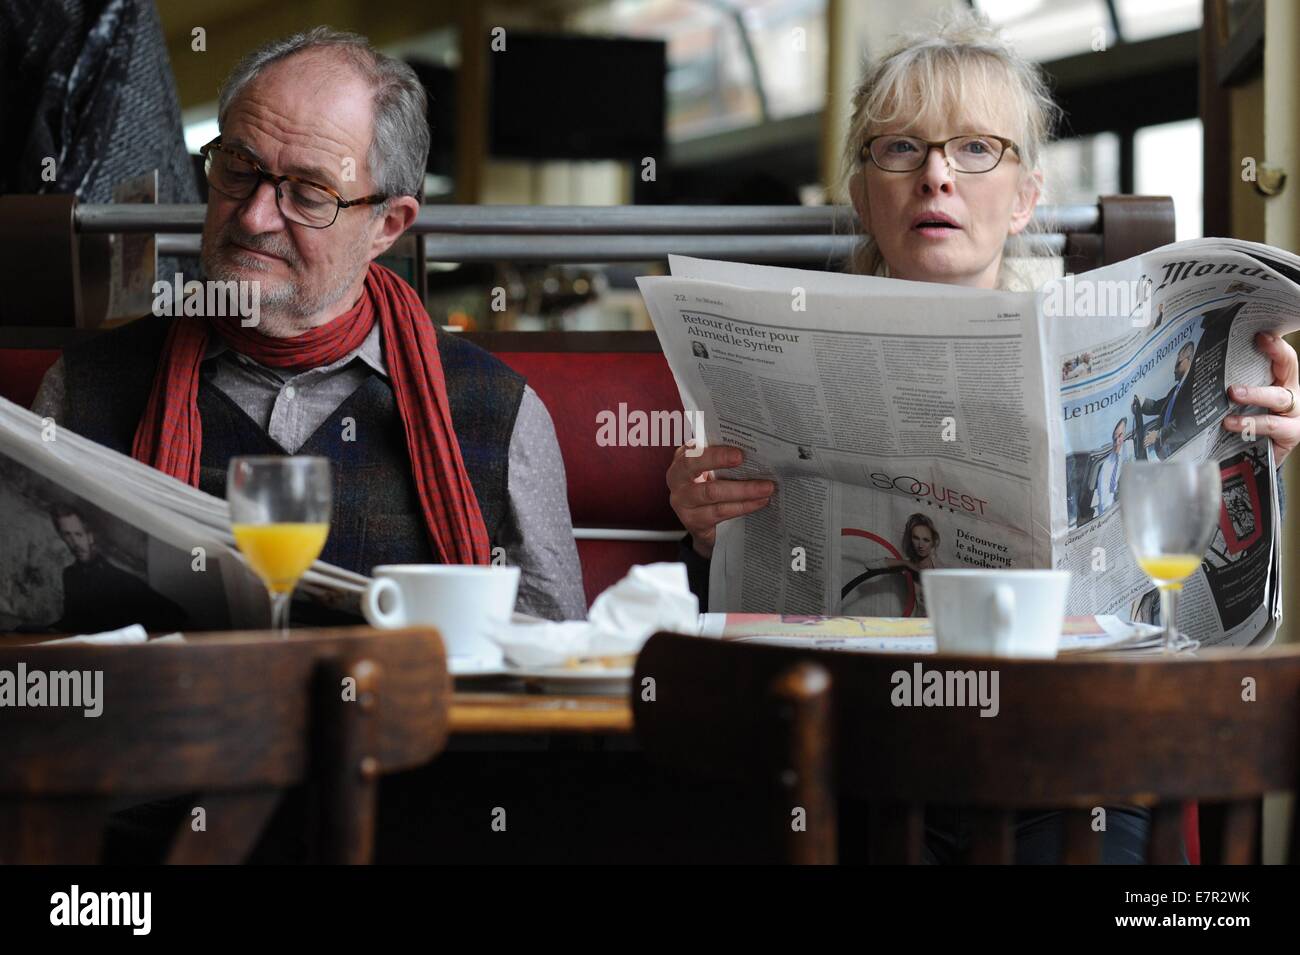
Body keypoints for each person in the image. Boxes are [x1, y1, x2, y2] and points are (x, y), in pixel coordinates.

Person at [666, 8, 1299, 866]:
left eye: (976, 149)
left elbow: (1188, 586)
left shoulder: (1119, 346)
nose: (937, 177)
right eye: (901, 148)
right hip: (853, 761)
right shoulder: (767, 360)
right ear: (862, 193)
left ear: (1025, 198)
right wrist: (706, 526)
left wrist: (1253, 447)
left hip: (1070, 768)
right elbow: (732, 614)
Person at [30, 27, 585, 622]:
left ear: (388, 225)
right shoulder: (83, 393)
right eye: (239, 167)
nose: (254, 215)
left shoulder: (499, 415)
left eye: (311, 194)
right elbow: (19, 624)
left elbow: (553, 659)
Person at [51, 506, 188, 634]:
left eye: (78, 534)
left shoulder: (118, 579)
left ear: (90, 536)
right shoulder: (70, 575)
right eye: (67, 535)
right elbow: (73, 621)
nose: (75, 543)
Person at [1135, 341, 1196, 459]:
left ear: (1188, 361)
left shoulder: (1192, 387)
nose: (1174, 370)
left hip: (1179, 453)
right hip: (1165, 453)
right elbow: (1158, 406)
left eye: (1178, 364)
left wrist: (1158, 434)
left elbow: (1184, 423)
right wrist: (1141, 401)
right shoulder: (1175, 390)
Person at [1091, 416, 1131, 517]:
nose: (1117, 442)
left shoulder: (1131, 449)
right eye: (1115, 438)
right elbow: (1103, 494)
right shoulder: (1107, 464)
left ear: (1125, 433)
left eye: (1120, 436)